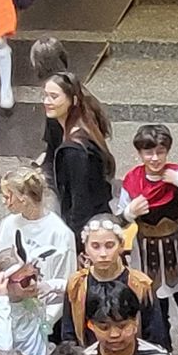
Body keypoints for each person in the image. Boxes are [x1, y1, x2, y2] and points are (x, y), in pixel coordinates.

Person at [122, 123, 178, 323]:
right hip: (149, 262)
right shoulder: (132, 180)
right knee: (156, 319)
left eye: (160, 152)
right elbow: (116, 225)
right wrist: (129, 212)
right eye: (149, 152)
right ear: (140, 153)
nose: (155, 158)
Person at [42, 71, 117, 239]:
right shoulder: (63, 122)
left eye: (54, 97)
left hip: (90, 226)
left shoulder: (74, 151)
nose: (47, 102)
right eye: (45, 95)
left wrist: (75, 242)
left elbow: (80, 203)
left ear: (73, 101)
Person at [66, 213, 160, 345]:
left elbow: (155, 334)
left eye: (109, 245)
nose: (103, 254)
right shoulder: (77, 284)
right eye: (95, 246)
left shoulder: (140, 285)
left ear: (121, 245)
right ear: (86, 248)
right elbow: (69, 335)